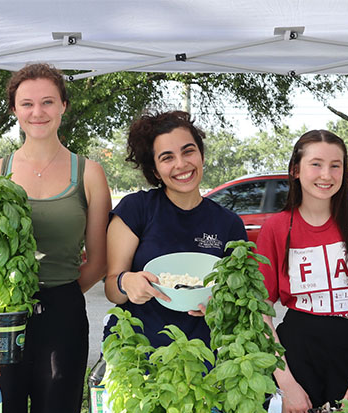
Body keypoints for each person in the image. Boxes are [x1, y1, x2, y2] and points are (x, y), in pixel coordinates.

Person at [0, 63, 111, 413]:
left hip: (62, 318)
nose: (37, 112)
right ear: (14, 110)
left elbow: (99, 261)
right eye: (27, 104)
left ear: (63, 106)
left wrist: (58, 295)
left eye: (48, 102)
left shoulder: (88, 173)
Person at [254, 130, 348, 413]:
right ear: (296, 170)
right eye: (316, 164)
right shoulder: (276, 228)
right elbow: (261, 314)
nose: (326, 174)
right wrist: (286, 384)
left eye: (335, 165)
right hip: (299, 351)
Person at [104, 111, 246, 348]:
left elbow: (238, 296)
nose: (181, 164)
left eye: (188, 151)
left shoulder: (228, 223)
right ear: (156, 170)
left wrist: (222, 305)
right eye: (167, 157)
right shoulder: (136, 209)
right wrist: (126, 282)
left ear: (201, 155)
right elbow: (112, 287)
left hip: (203, 353)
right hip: (138, 349)